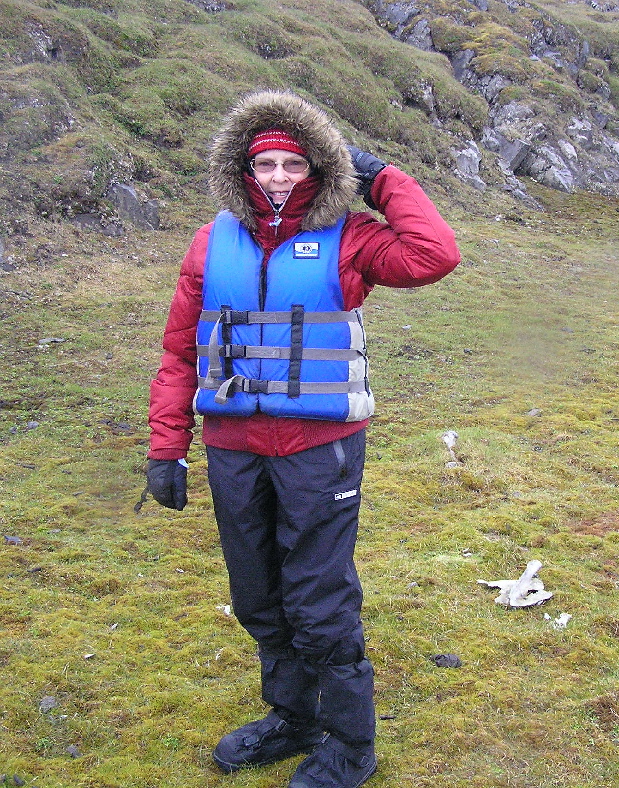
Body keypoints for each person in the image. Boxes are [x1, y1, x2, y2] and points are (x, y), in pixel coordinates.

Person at [146, 90, 460, 788]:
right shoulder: (210, 242)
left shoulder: (351, 238)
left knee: (319, 603)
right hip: (234, 448)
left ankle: (351, 745)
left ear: (318, 167)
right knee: (257, 597)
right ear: (243, 170)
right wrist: (167, 447)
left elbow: (434, 254)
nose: (280, 177)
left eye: (295, 163)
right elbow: (178, 352)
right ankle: (294, 717)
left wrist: (381, 178)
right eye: (266, 164)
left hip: (320, 451)